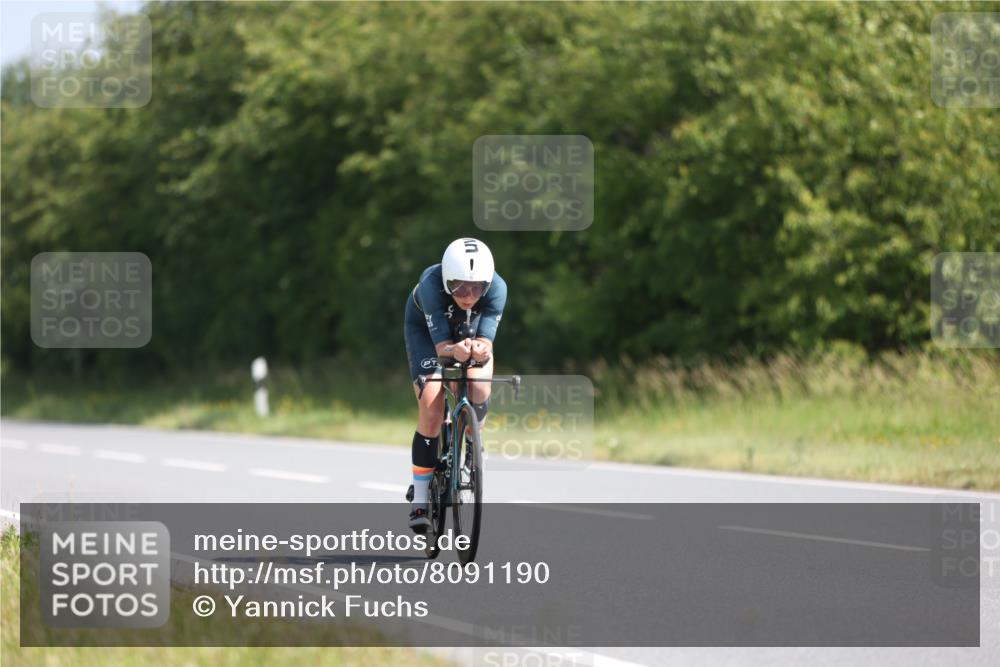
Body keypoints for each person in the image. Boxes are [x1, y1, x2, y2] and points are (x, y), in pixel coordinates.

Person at [403, 237, 507, 531]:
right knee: (432, 405)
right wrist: (453, 351)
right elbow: (442, 350)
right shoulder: (431, 283)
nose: (469, 295)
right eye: (460, 286)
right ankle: (420, 499)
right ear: (447, 279)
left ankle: (474, 442)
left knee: (479, 386)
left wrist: (481, 350)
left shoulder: (497, 288)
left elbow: (485, 343)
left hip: (468, 330)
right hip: (426, 333)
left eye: (477, 288)